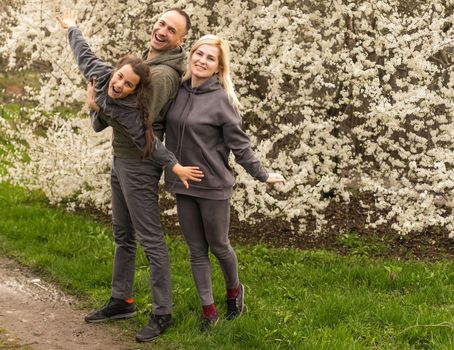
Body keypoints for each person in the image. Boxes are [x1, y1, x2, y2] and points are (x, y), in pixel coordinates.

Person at [57, 8, 200, 342]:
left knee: (150, 240)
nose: (162, 30)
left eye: (172, 29)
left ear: (181, 40)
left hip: (140, 163)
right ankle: (123, 300)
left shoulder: (162, 76)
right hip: (122, 159)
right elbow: (89, 62)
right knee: (123, 235)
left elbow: (140, 126)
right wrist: (72, 28)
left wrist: (98, 107)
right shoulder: (142, 64)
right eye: (161, 23)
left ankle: (162, 312)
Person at [164, 34, 286, 331]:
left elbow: (239, 145)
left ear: (219, 67)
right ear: (191, 56)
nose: (202, 61)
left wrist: (263, 174)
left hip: (214, 186)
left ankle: (234, 292)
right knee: (195, 250)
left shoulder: (222, 100)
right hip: (183, 184)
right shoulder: (177, 91)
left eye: (210, 58)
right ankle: (209, 312)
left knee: (218, 245)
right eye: (199, 54)